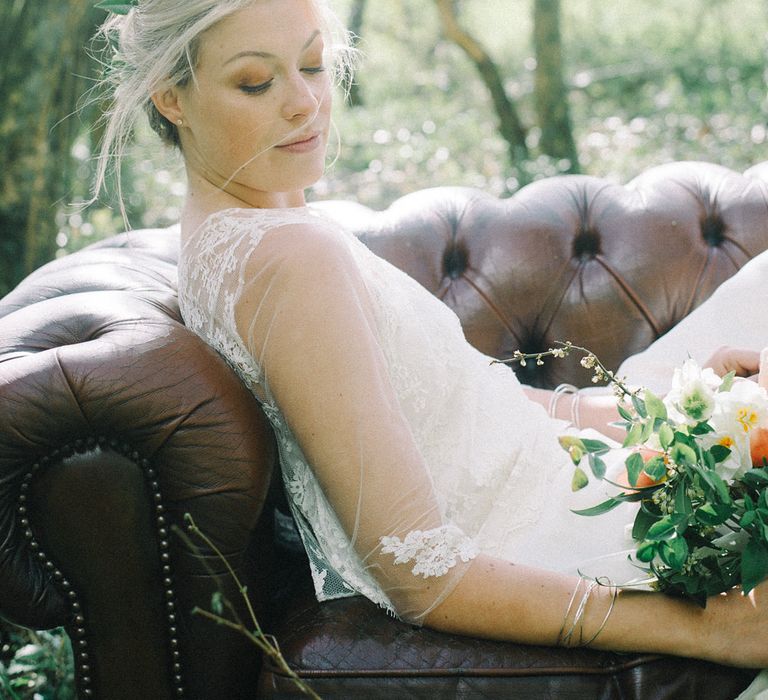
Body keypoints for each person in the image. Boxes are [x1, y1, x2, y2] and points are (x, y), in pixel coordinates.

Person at [94, 0, 768, 680]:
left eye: (311, 65)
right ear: (171, 98)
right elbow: (420, 574)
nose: (305, 103)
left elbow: (468, 408)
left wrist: (660, 410)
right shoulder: (286, 262)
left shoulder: (248, 226)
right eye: (255, 82)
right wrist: (707, 632)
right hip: (556, 530)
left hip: (574, 463)